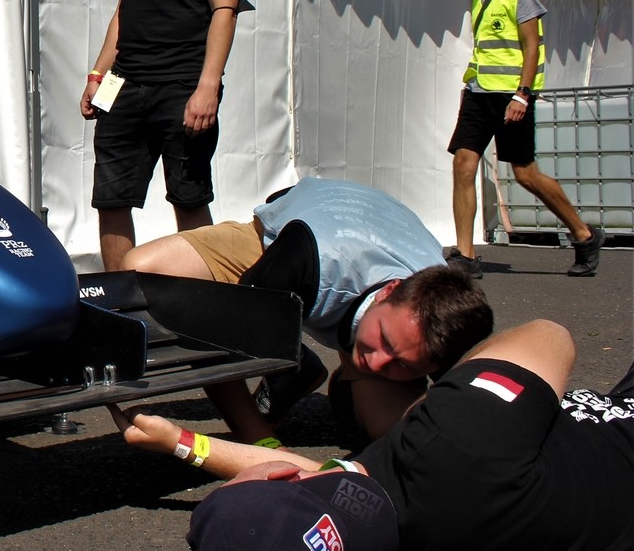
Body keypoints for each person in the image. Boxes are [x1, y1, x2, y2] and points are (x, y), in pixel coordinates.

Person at [109, 319, 634, 551]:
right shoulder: (452, 438)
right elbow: (551, 336)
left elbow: (323, 483)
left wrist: (182, 442)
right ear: (279, 475)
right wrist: (447, 395)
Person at [124, 178, 492, 442]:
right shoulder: (297, 263)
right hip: (309, 229)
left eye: (404, 364)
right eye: (384, 340)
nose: (377, 361)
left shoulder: (446, 318)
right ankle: (294, 368)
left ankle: (329, 381)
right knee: (146, 274)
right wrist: (259, 443)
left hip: (384, 227)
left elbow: (472, 407)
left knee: (395, 435)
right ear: (388, 293)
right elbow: (221, 333)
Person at [81, 0, 246, 272]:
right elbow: (124, 10)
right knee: (111, 199)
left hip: (182, 85)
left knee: (188, 199)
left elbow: (225, 10)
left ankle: (200, 302)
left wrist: (207, 87)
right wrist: (97, 75)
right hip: (123, 85)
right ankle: (122, 300)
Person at [448, 0, 603, 278]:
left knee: (525, 174)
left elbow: (532, 45)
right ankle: (465, 255)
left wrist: (523, 93)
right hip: (478, 92)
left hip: (511, 95)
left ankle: (584, 234)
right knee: (463, 163)